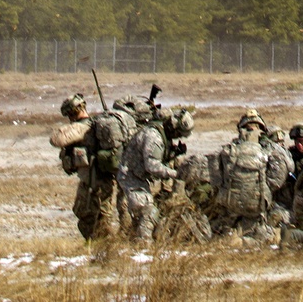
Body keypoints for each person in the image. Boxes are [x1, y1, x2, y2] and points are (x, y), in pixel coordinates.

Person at [118, 105, 194, 243]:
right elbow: (152, 166)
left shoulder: (161, 135)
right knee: (148, 212)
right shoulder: (154, 137)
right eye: (179, 133)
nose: (178, 137)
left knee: (142, 216)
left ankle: (130, 243)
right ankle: (143, 245)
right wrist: (175, 174)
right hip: (131, 177)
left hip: (139, 178)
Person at [49, 93, 113, 241]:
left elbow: (56, 139)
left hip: (95, 181)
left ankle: (103, 247)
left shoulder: (83, 127)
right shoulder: (95, 125)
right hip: (97, 179)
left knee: (95, 217)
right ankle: (100, 245)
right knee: (90, 214)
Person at [213, 109, 281, 242]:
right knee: (267, 235)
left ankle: (230, 235)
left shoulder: (228, 150)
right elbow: (278, 178)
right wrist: (265, 187)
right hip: (257, 204)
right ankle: (245, 239)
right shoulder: (268, 150)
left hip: (231, 203)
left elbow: (217, 175)